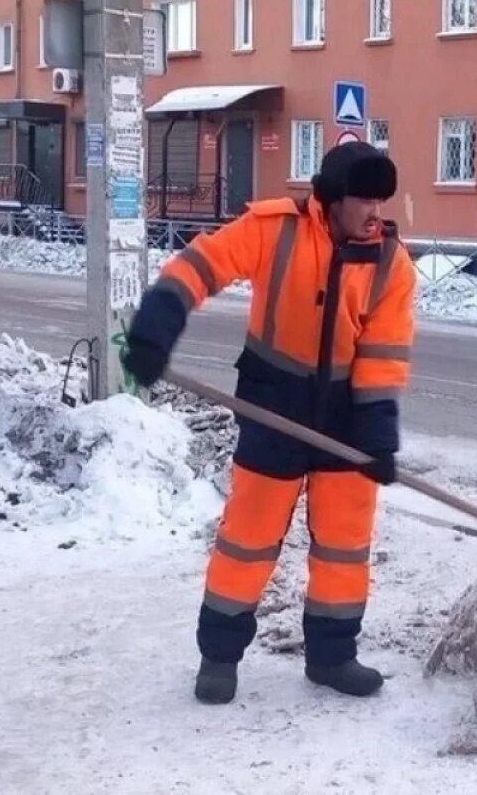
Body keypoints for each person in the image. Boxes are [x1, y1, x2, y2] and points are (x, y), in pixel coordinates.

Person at [120, 141, 417, 704]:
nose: (374, 212)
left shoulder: (389, 262)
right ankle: (220, 656)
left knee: (344, 546)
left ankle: (333, 656)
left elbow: (383, 351)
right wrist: (157, 326)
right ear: (331, 199)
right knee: (248, 538)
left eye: (381, 200)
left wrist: (378, 431)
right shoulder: (274, 230)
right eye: (363, 200)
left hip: (347, 416)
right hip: (273, 404)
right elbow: (199, 266)